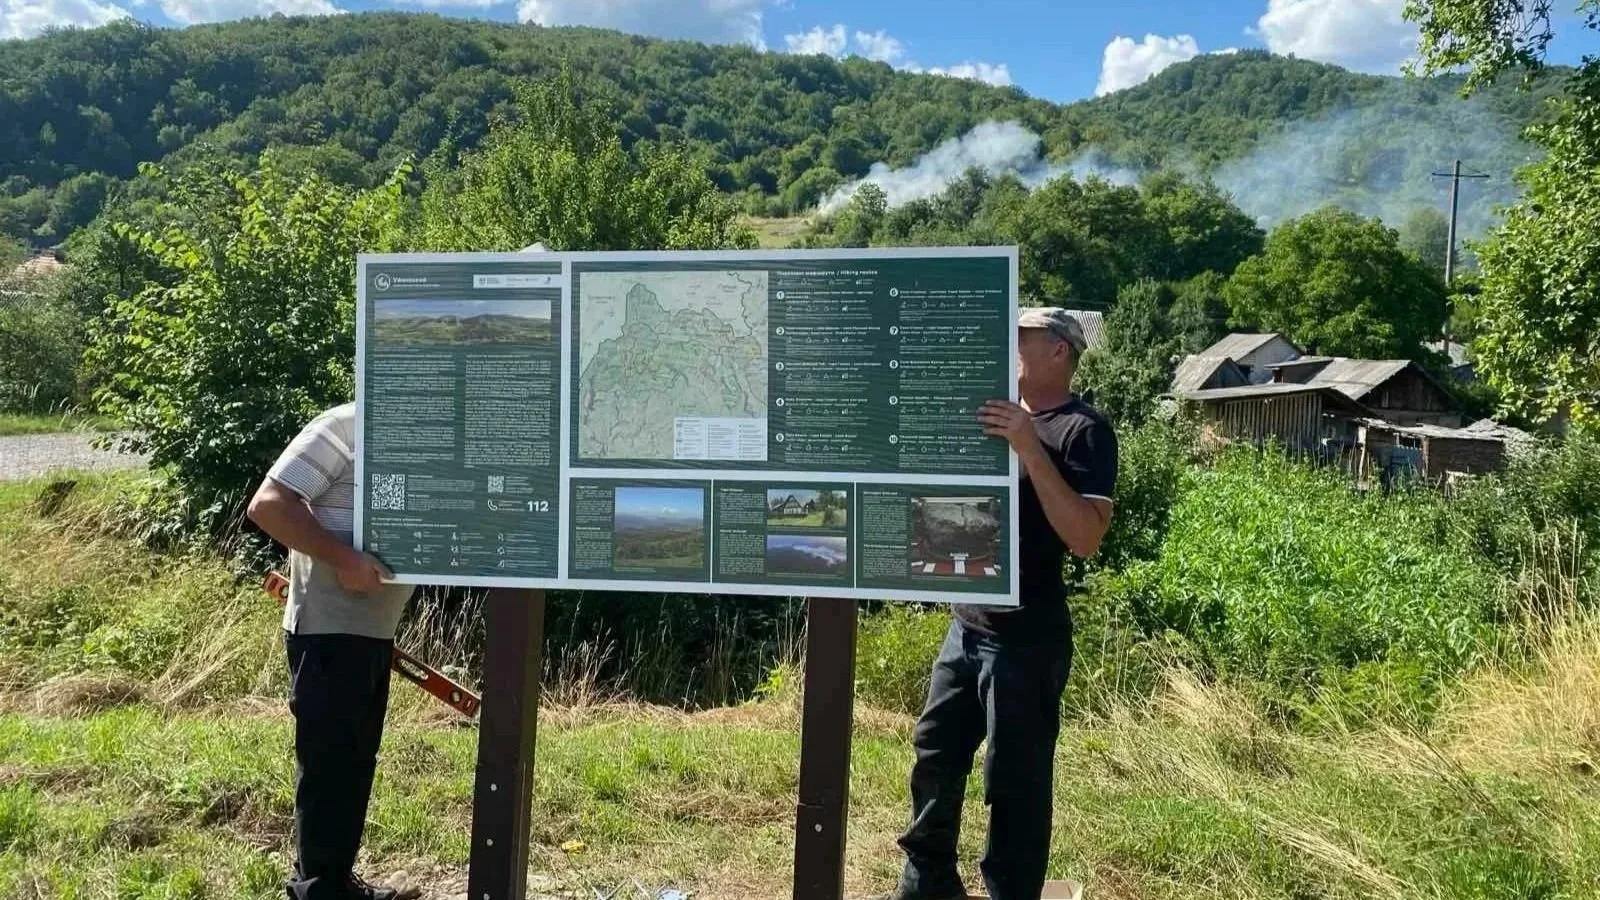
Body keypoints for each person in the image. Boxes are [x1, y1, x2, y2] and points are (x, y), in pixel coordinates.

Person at [886, 308, 1118, 900]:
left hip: (1028, 638)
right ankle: (928, 883)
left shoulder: (1084, 430)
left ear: (1060, 351)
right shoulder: (992, 412)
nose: (1009, 346)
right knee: (935, 753)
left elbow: (1085, 537)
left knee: (1015, 780)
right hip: (966, 625)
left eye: (1022, 338)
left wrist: (1028, 445)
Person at [247, 402, 421, 900]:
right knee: (329, 766)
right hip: (328, 630)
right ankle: (319, 890)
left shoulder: (426, 434)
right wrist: (343, 558)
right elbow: (269, 504)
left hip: (372, 629)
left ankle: (332, 882)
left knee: (352, 761)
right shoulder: (345, 425)